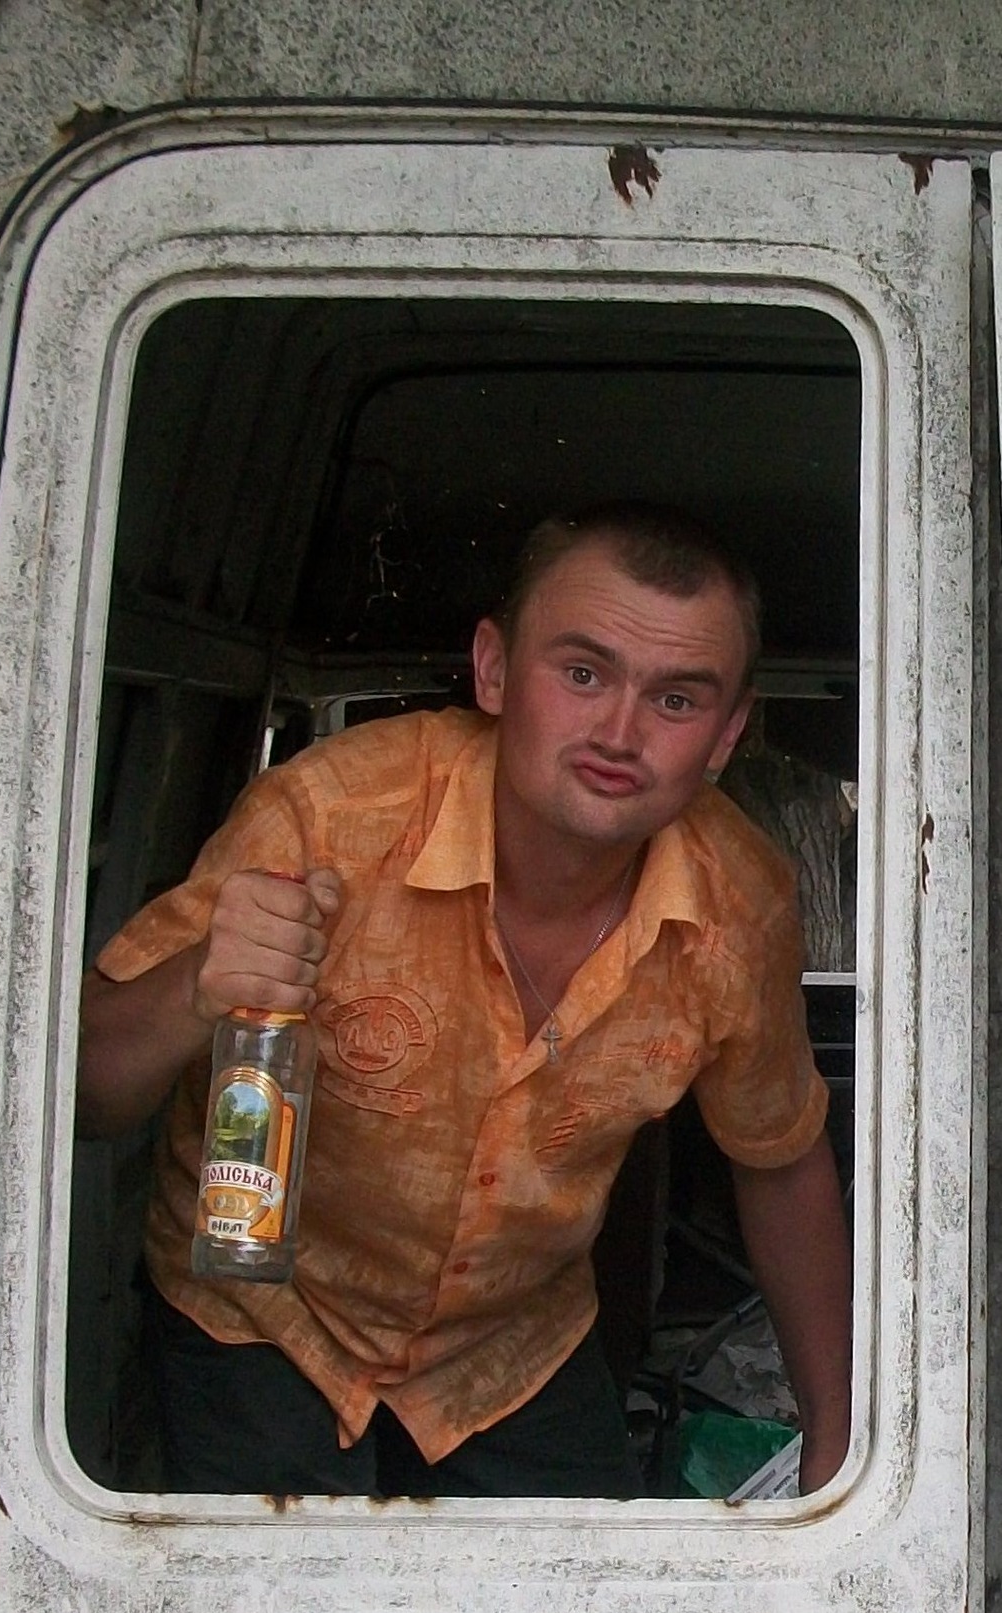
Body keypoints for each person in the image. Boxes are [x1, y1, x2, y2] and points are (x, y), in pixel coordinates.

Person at [77, 503, 851, 1499]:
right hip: (261, 1314)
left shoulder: (740, 907)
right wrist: (197, 984)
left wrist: (834, 1440)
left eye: (675, 699)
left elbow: (778, 1161)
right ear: (492, 670)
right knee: (279, 1600)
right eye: (582, 674)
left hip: (509, 1344)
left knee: (589, 1595)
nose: (618, 733)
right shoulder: (328, 817)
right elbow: (89, 1096)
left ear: (726, 734)